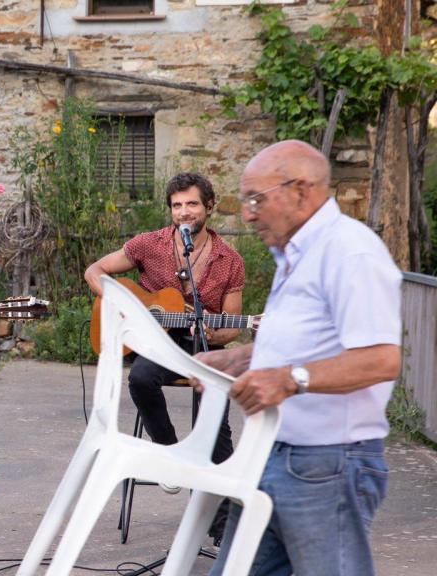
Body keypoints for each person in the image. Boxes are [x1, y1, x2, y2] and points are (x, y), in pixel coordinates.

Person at [196, 140, 401, 576]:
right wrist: (247, 357)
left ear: (302, 190)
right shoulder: (297, 253)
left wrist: (290, 379)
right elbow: (317, 338)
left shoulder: (350, 251)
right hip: (276, 452)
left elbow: (381, 359)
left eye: (256, 198)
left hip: (327, 464)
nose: (247, 213)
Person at [83, 172, 245, 540]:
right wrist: (117, 301)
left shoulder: (229, 260)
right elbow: (96, 270)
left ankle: (222, 530)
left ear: (209, 206)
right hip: (157, 344)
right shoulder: (148, 244)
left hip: (203, 347)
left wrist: (211, 331)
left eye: (191, 204)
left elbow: (233, 327)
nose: (184, 212)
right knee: (140, 377)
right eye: (177, 205)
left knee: (216, 424)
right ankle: (171, 456)